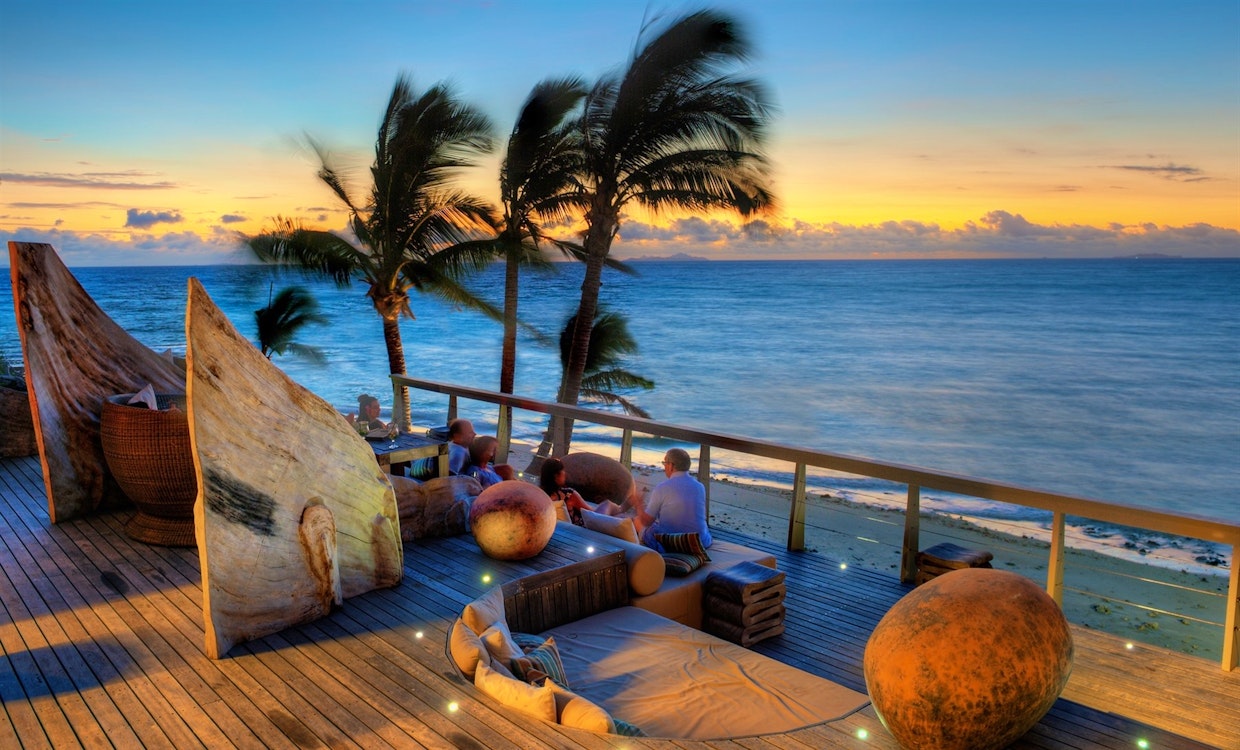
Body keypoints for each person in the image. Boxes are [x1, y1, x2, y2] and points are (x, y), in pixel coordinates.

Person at [634, 448, 712, 548]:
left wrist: (638, 503)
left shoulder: (662, 487)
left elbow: (646, 521)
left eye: (665, 463)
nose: (664, 467)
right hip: (700, 542)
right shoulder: (700, 487)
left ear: (671, 466)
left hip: (672, 543)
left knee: (637, 521)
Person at [539, 457, 591, 525]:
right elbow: (592, 514)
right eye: (563, 470)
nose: (565, 473)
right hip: (579, 530)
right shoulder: (568, 495)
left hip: (555, 531)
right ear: (556, 476)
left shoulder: (539, 496)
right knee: (608, 504)